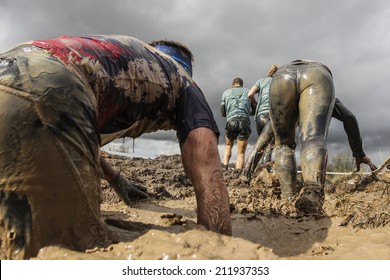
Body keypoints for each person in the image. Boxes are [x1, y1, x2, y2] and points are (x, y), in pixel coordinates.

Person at [0, 35, 232, 259]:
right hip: (49, 82)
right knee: (60, 249)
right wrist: (219, 247)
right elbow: (208, 167)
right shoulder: (182, 78)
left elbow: (77, 143)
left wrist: (115, 179)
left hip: (13, 64)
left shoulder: (116, 59)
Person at [243, 64, 278, 178]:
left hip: (260, 116)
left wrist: (255, 103)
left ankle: (254, 172)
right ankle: (265, 173)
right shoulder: (279, 82)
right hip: (273, 116)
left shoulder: (261, 81)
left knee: (261, 145)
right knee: (269, 146)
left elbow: (250, 94)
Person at [220, 78, 253, 170]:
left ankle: (225, 166)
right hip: (244, 122)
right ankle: (238, 172)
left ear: (232, 84)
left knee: (228, 145)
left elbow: (223, 112)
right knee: (241, 153)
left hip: (231, 121)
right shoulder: (248, 91)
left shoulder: (226, 92)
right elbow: (253, 111)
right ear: (242, 84)